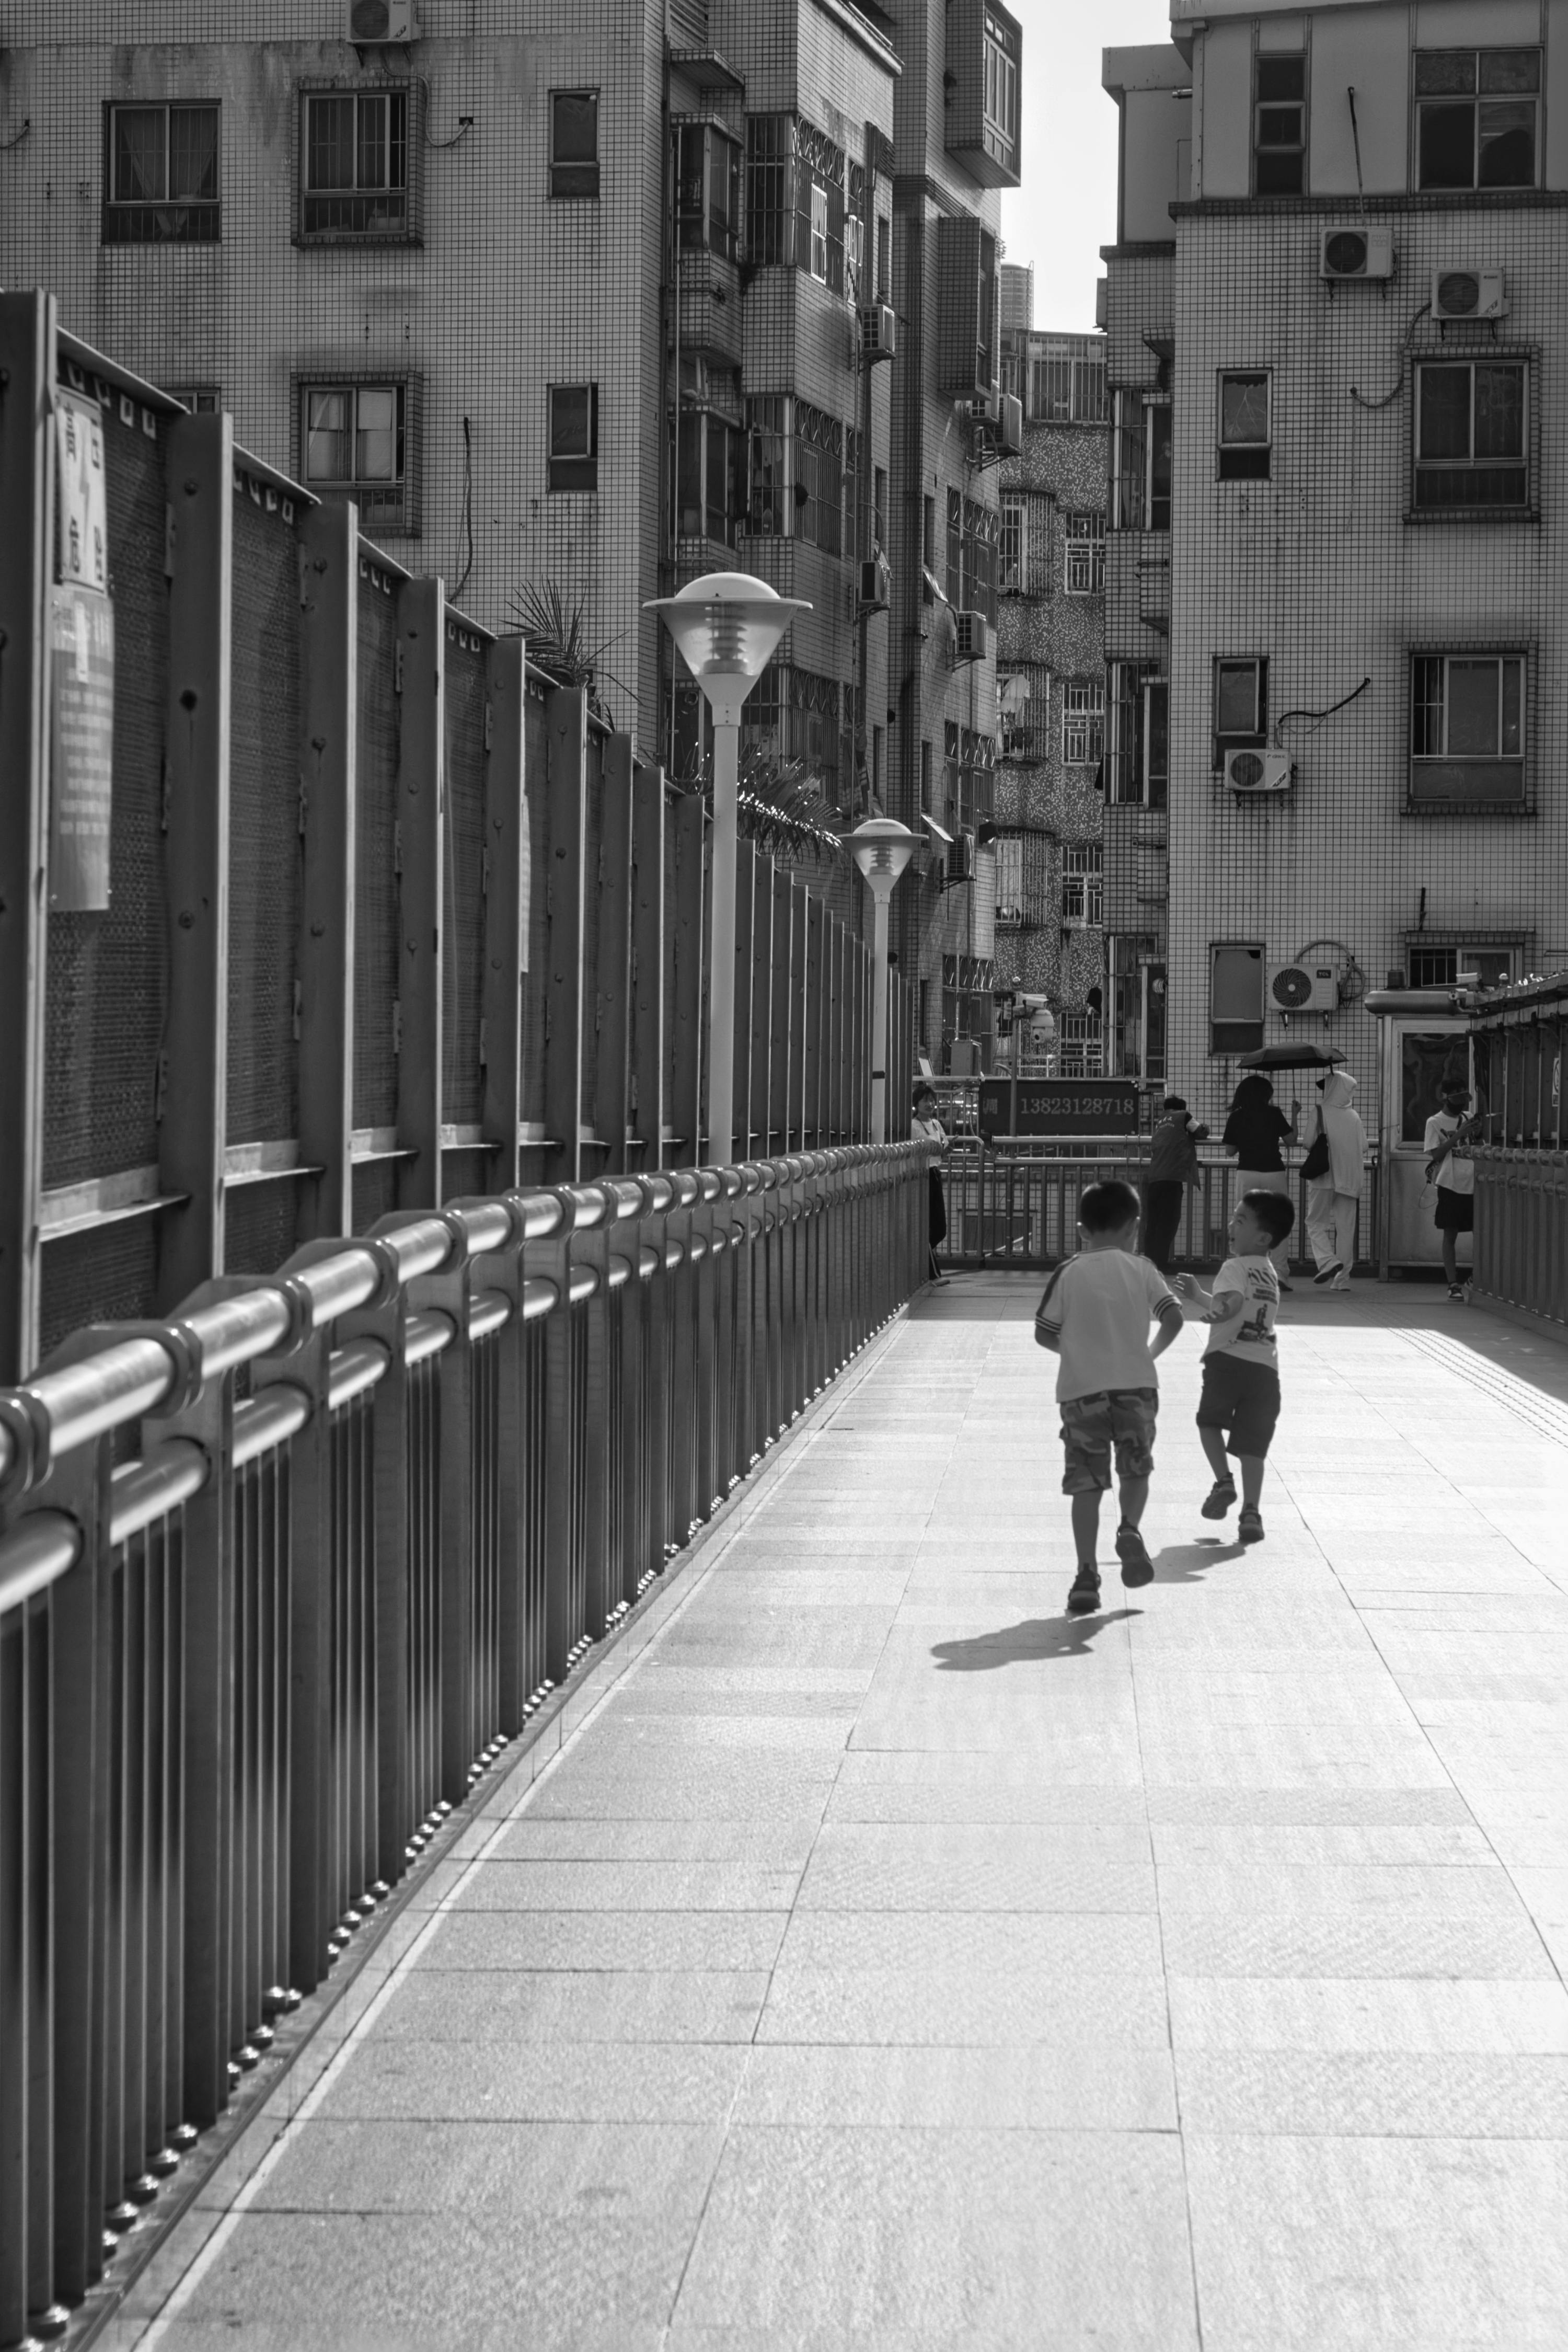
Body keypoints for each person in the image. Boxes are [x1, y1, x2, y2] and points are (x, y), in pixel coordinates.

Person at [1034, 1177, 1185, 1616]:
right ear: (1134, 1227)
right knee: (1136, 1467)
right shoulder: (1143, 1269)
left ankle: (1085, 1574)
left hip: (1082, 1392)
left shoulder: (1069, 1271)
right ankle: (1130, 1529)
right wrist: (1147, 1354)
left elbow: (1044, 1332)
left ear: (1083, 1229)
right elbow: (1173, 1318)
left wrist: (1076, 1352)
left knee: (1088, 1483)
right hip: (1137, 1386)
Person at [1173, 1189, 1293, 1545]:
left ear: (1263, 1237)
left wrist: (1210, 1306)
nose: (1231, 1224)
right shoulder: (1270, 1273)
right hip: (1265, 1372)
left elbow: (1233, 1303)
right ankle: (1251, 1513)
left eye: (1240, 1220)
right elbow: (1243, 1305)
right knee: (1253, 1448)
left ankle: (1224, 1481)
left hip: (1227, 1360)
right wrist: (1204, 1298)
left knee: (1209, 1423)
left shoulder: (1233, 1267)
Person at [1221, 1072, 1299, 1288]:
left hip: (1247, 1173)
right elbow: (1291, 1140)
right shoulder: (1274, 1114)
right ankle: (1280, 1275)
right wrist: (1294, 1114)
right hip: (1274, 1172)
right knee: (1279, 1221)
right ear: (1265, 1095)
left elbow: (1229, 1151)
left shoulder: (1236, 1117)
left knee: (1245, 1222)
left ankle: (1247, 1274)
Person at [1305, 1070, 1366, 1290]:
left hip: (1324, 1177)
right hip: (1350, 1179)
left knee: (1315, 1223)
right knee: (1346, 1229)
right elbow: (1365, 1146)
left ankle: (1328, 1261)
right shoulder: (1354, 1116)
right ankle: (1342, 1281)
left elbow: (1308, 1143)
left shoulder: (1319, 1111)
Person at [1424, 1080, 1477, 1300]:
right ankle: (1452, 1282)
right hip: (1450, 1183)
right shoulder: (1434, 1122)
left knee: (1481, 1231)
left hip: (1473, 1180)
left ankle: (1477, 1276)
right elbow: (1435, 1154)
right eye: (1456, 1096)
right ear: (1445, 1097)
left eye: (1463, 1096)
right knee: (1450, 1232)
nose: (1461, 1101)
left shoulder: (1469, 1117)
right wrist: (1458, 1134)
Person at [1141, 1094, 1206, 1273]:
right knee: (1169, 1221)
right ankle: (1161, 1264)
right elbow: (1200, 1131)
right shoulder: (1183, 1116)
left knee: (1153, 1223)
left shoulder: (1160, 1121)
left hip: (1154, 1178)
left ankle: (1149, 1263)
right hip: (1172, 1177)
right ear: (1181, 1107)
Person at [912, 1083, 949, 1285]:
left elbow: (943, 1147)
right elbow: (919, 1151)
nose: (930, 1104)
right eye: (925, 1100)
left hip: (935, 1173)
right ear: (916, 1103)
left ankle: (924, 1262)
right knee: (929, 1224)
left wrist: (942, 1150)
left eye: (932, 1100)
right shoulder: (914, 1126)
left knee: (940, 1227)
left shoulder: (936, 1124)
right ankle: (930, 1272)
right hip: (922, 1175)